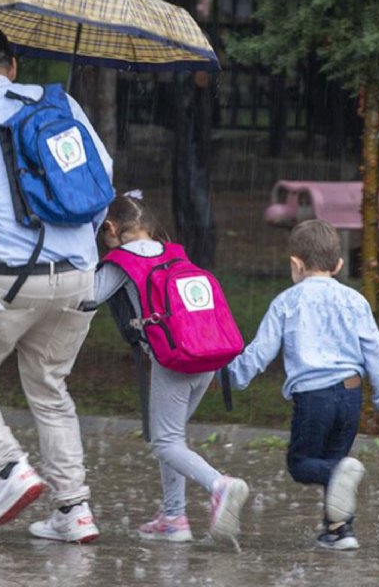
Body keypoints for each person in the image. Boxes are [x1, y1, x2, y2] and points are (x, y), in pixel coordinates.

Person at [0, 26, 113, 544]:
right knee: (51, 390)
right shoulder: (62, 106)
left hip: (8, 277)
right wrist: (77, 243)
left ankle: (11, 469)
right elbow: (103, 179)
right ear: (13, 67)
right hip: (80, 274)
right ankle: (74, 510)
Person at [223, 219, 379, 551]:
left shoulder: (287, 302)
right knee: (336, 462)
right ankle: (339, 531)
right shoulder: (356, 301)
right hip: (350, 393)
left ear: (296, 264)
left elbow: (260, 352)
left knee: (302, 463)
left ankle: (338, 497)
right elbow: (376, 350)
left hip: (314, 397)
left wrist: (231, 377)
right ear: (338, 264)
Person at [84, 192, 249, 543]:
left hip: (173, 360)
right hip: (206, 355)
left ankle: (220, 485)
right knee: (173, 438)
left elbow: (88, 297)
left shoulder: (121, 261)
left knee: (166, 442)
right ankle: (173, 517)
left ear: (110, 228)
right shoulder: (174, 252)